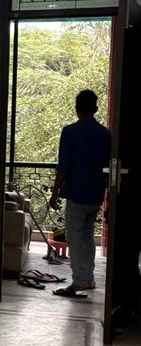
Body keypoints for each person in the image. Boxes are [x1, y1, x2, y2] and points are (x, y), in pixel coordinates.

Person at [48, 89, 111, 298]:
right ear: (95, 108)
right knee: (87, 235)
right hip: (96, 194)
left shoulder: (70, 132)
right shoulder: (106, 135)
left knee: (74, 236)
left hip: (76, 192)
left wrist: (54, 194)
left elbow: (63, 168)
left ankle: (79, 282)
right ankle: (88, 278)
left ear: (77, 109)